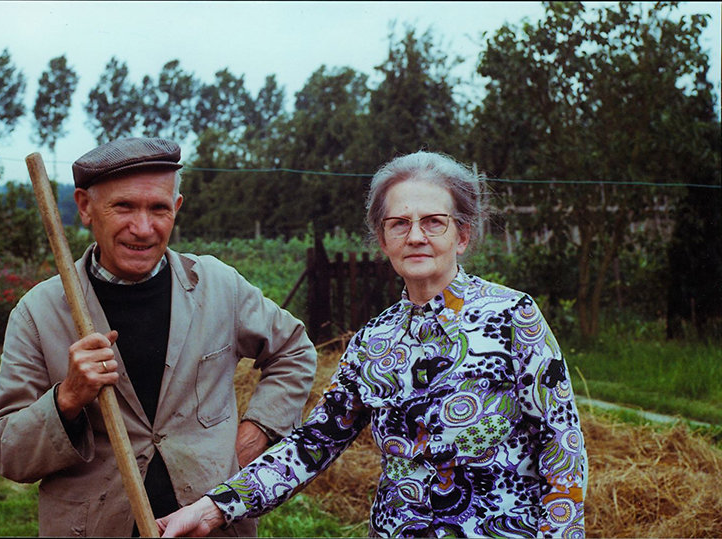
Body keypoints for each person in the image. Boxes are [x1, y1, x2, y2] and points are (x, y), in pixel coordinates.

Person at [157, 151, 588, 538]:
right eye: (399, 223)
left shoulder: (513, 317)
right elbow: (313, 443)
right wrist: (215, 507)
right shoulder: (374, 342)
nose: (416, 236)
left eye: (434, 222)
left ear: (462, 236)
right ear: (383, 241)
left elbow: (561, 443)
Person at [0, 137, 317, 537]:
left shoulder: (218, 286)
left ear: (176, 209)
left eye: (158, 208)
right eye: (123, 206)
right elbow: (7, 452)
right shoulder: (39, 312)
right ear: (86, 208)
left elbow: (293, 352)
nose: (143, 229)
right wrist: (67, 398)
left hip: (212, 525)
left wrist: (252, 439)